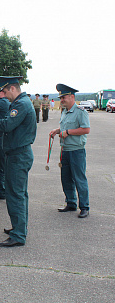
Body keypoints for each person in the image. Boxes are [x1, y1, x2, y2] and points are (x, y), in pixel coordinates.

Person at [0, 76, 36, 247]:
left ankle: (18, 235)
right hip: (17, 153)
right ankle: (19, 228)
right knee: (18, 193)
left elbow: (6, 125)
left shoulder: (21, 104)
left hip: (18, 155)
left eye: (4, 91)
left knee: (16, 194)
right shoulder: (21, 102)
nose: (3, 94)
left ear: (12, 88)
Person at [49, 84, 90, 218]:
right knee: (66, 178)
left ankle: (84, 207)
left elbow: (86, 129)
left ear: (72, 97)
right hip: (65, 150)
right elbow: (65, 127)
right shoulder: (65, 111)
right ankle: (71, 202)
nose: (61, 100)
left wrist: (68, 132)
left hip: (76, 151)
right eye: (60, 98)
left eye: (64, 97)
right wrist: (58, 130)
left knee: (79, 179)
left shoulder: (80, 111)